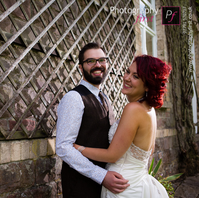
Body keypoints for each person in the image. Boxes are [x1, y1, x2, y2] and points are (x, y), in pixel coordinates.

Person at [74, 54, 172, 197]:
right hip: (137, 182)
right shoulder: (149, 110)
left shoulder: (133, 109)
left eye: (136, 76)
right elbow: (149, 152)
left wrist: (78, 148)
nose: (126, 78)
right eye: (128, 72)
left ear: (147, 85)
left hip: (121, 186)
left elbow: (112, 155)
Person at [56, 42, 129, 198]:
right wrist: (101, 175)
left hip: (105, 184)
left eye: (102, 60)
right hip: (81, 186)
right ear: (81, 68)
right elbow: (63, 147)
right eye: (91, 61)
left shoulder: (105, 98)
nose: (98, 65)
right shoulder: (74, 98)